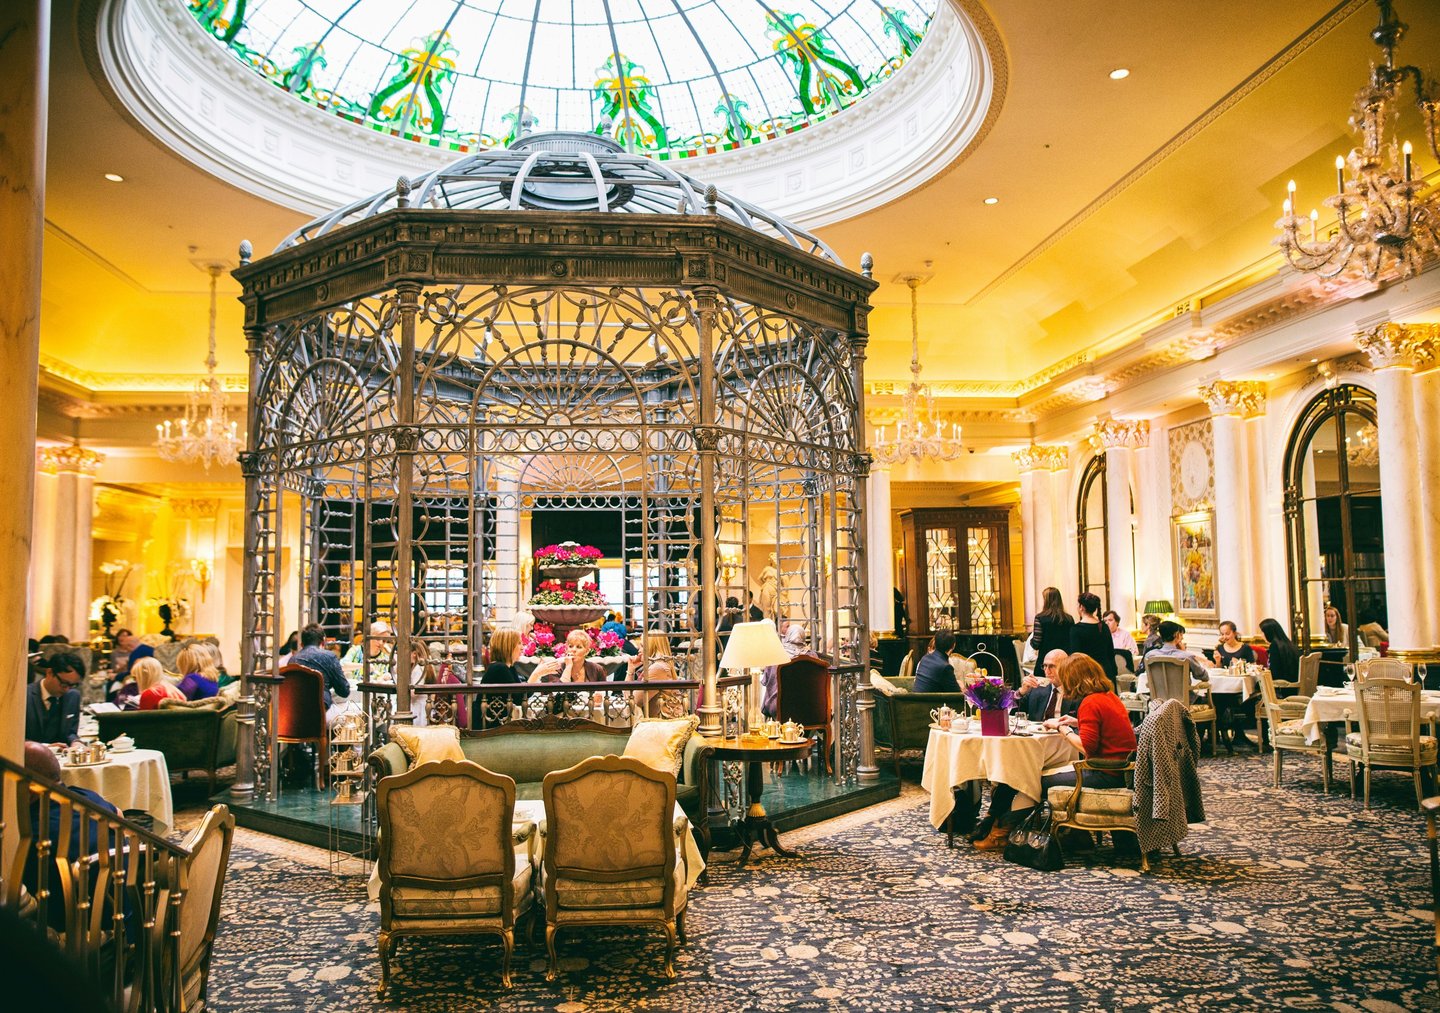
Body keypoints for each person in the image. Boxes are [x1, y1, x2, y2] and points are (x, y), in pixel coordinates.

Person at [974, 654, 1136, 850]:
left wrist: (1062, 729)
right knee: (1031, 776)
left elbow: (1087, 747)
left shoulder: (1091, 703)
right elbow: (1105, 729)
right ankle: (1076, 834)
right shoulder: (1108, 696)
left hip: (1105, 773)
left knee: (1034, 781)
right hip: (1121, 771)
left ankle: (1001, 834)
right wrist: (1075, 722)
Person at [291, 624, 352, 719]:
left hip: (295, 713)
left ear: (301, 644)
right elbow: (344, 691)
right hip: (320, 712)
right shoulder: (329, 657)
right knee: (358, 710)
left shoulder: (293, 660)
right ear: (323, 641)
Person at [25, 653, 84, 745]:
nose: (67, 689)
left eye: (73, 685)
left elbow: (70, 733)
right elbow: (13, 738)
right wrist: (46, 747)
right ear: (49, 673)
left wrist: (76, 742)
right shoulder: (25, 696)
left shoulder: (73, 696)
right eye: (64, 683)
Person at [1142, 621, 1211, 700]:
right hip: (1185, 702)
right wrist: (1183, 652)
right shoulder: (1186, 656)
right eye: (1181, 635)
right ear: (1176, 634)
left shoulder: (1150, 656)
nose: (1182, 637)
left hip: (1159, 702)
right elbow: (1204, 677)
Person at [629, 632, 686, 719]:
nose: (639, 650)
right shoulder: (659, 665)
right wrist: (631, 669)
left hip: (662, 724)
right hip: (660, 721)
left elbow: (633, 701)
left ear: (652, 647)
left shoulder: (658, 668)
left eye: (642, 646)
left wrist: (630, 671)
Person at [1069, 592, 1118, 684]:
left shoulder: (1076, 629)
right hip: (1105, 672)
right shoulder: (1103, 626)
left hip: (1087, 675)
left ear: (1082, 607)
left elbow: (1075, 658)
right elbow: (1110, 653)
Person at [1017, 649, 1074, 721]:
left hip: (1063, 731)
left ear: (1066, 667)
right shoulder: (1036, 688)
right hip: (1036, 730)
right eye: (1045, 666)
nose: (1047, 671)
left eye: (1052, 666)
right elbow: (1013, 712)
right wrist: (1021, 692)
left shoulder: (1077, 692)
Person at [1029, 587, 1074, 666]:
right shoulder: (1069, 619)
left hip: (1046, 660)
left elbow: (1036, 644)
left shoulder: (1040, 618)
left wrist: (1030, 641)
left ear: (1046, 601)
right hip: (1065, 662)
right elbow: (1072, 641)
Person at [1259, 617, 1299, 687]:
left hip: (1284, 687)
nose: (1261, 636)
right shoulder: (1287, 643)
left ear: (1268, 632)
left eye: (1262, 632)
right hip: (1293, 682)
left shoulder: (1275, 646)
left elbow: (1275, 673)